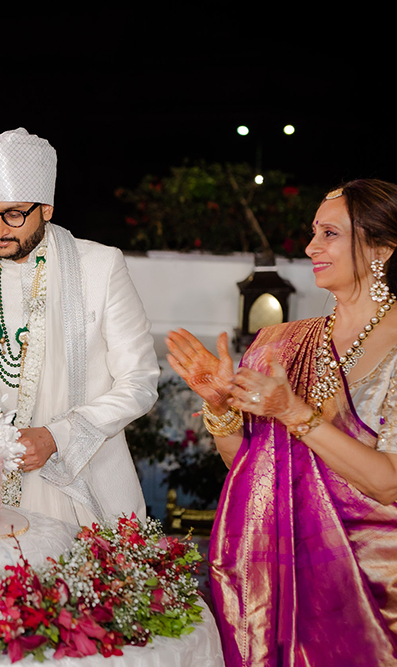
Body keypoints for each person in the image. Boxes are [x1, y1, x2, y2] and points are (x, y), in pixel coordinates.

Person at [166, 180, 397, 666]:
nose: (311, 247)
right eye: (313, 232)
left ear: (382, 247)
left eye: (329, 233)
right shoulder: (280, 344)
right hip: (283, 580)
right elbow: (248, 469)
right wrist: (220, 406)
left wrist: (292, 412)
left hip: (375, 592)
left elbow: (386, 482)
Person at [0, 128, 157, 525]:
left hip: (80, 480)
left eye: (14, 214)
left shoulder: (100, 268)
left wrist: (56, 436)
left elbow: (139, 382)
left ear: (47, 209)